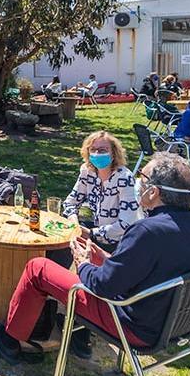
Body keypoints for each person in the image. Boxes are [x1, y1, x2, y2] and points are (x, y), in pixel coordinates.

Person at [0, 153, 190, 363]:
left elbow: (102, 286)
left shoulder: (148, 231)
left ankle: (10, 338)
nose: (138, 183)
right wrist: (106, 258)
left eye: (143, 177)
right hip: (176, 323)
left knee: (38, 268)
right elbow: (157, 269)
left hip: (130, 323)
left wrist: (84, 263)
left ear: (154, 192)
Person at [49, 130, 139, 356]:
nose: (98, 154)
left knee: (90, 274)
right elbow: (71, 201)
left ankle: (82, 333)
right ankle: (54, 306)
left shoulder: (124, 177)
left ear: (114, 153)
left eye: (103, 150)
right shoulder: (87, 171)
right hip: (93, 230)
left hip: (118, 240)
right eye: (94, 149)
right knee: (56, 252)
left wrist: (91, 234)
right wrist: (74, 222)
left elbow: (126, 224)